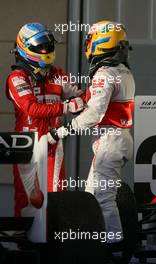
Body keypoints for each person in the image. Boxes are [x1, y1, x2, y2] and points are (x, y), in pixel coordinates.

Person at [48, 21, 135, 243]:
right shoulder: (124, 71)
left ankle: (112, 246)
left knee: (102, 199)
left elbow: (94, 114)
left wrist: (62, 130)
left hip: (110, 140)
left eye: (90, 40)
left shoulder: (104, 73)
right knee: (93, 197)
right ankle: (102, 244)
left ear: (100, 42)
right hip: (119, 139)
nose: (87, 44)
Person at [6, 22, 85, 217]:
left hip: (52, 141)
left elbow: (80, 97)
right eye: (40, 47)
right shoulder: (16, 77)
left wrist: (83, 100)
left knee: (55, 196)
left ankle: (54, 242)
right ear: (26, 48)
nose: (45, 50)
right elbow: (31, 109)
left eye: (48, 46)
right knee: (27, 199)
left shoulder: (57, 74)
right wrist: (66, 107)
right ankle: (22, 243)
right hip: (25, 145)